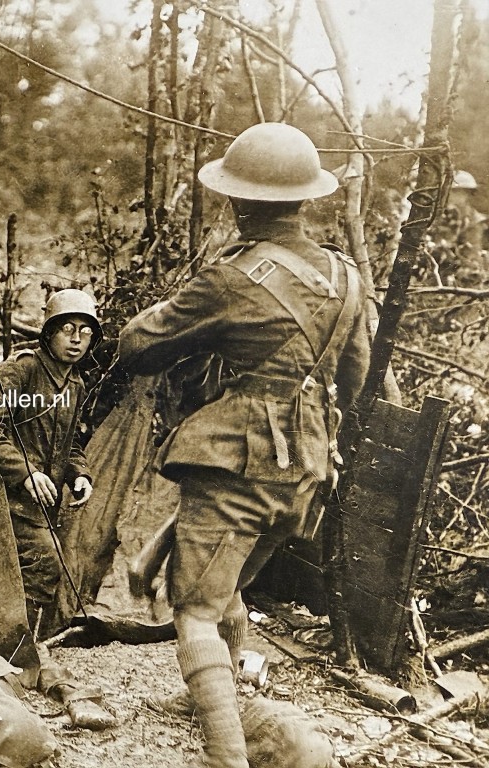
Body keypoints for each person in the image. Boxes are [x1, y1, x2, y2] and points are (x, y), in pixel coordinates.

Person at [118, 122, 370, 768]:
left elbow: (137, 348)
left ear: (238, 201)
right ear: (304, 200)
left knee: (195, 608)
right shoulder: (345, 278)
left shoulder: (230, 279)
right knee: (227, 584)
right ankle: (219, 693)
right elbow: (358, 379)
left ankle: (224, 756)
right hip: (308, 469)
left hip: (240, 460)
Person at [0, 288, 116, 730]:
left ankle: (17, 645)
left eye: (85, 332)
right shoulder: (22, 371)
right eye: (68, 329)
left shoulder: (76, 384)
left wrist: (80, 473)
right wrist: (26, 472)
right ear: (49, 331)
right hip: (2, 496)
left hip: (44, 503)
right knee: (45, 565)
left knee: (43, 571)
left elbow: (70, 442)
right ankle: (16, 652)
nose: (76, 339)